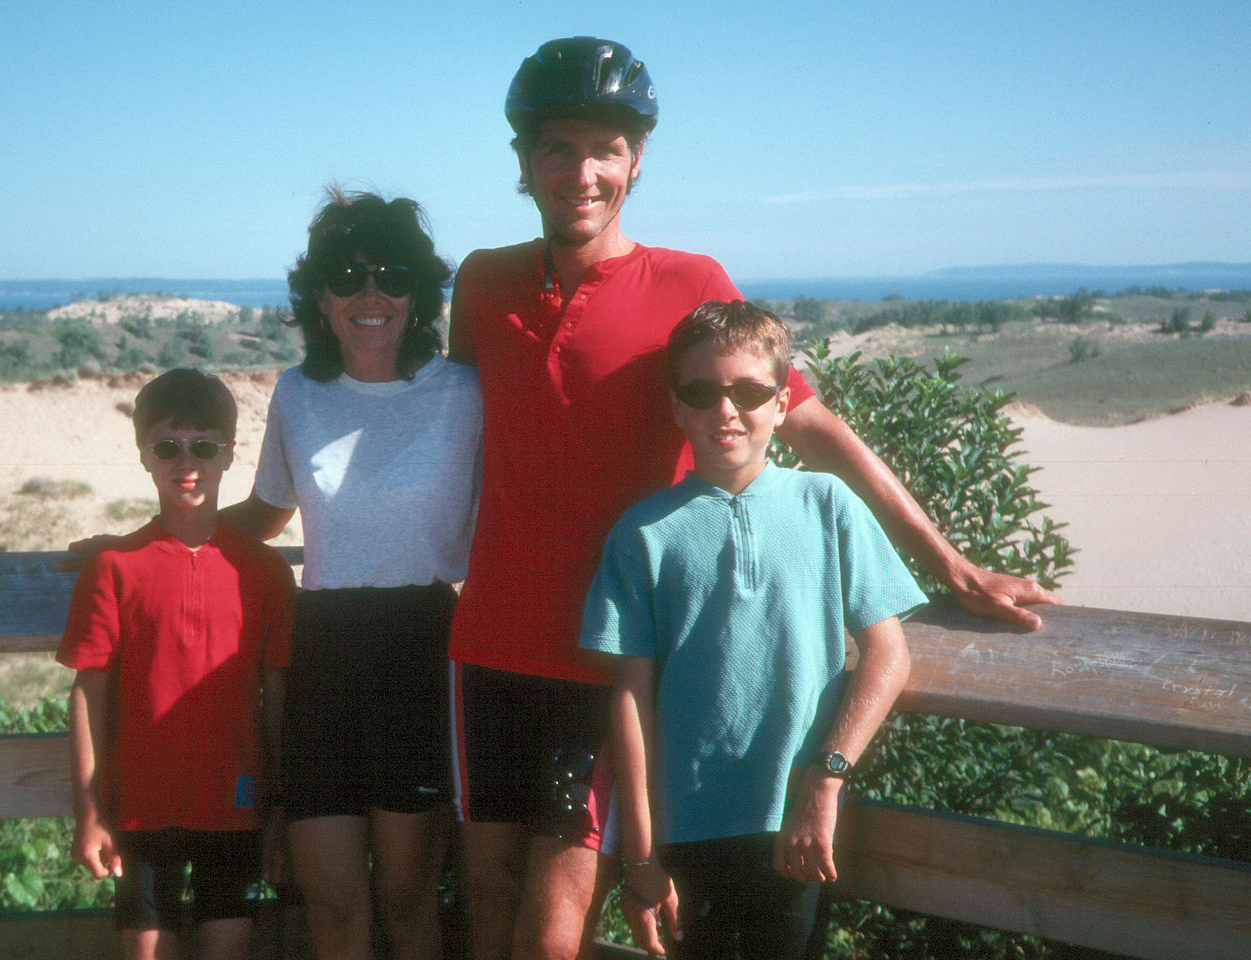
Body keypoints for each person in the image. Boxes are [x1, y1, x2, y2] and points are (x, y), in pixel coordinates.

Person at [445, 36, 1058, 960]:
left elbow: (808, 423)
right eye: (558, 148)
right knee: (485, 906)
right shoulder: (480, 283)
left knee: (549, 932)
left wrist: (948, 562)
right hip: (489, 645)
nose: (582, 171)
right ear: (524, 162)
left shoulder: (688, 283)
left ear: (636, 162)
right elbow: (444, 426)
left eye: (606, 149)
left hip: (612, 660)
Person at [581, 300, 925, 959]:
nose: (726, 411)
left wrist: (825, 781)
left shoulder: (826, 503)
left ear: (780, 402)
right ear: (677, 406)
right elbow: (630, 696)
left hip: (797, 822)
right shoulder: (643, 533)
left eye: (749, 391)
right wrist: (642, 858)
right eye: (702, 392)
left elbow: (888, 653)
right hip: (685, 832)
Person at [219, 189, 481, 960]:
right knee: (334, 908)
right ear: (321, 297)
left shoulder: (465, 393)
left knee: (407, 902)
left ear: (419, 293)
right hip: (323, 654)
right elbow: (263, 518)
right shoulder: (299, 395)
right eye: (348, 273)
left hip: (422, 649)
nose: (371, 293)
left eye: (393, 273)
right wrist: (140, 542)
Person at [60, 368, 295, 960]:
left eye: (204, 447)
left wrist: (280, 811)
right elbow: (88, 694)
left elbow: (280, 700)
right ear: (144, 455)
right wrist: (90, 813)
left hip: (236, 807)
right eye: (167, 447)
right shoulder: (113, 567)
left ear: (228, 454)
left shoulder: (264, 572)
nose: (185, 463)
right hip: (139, 808)